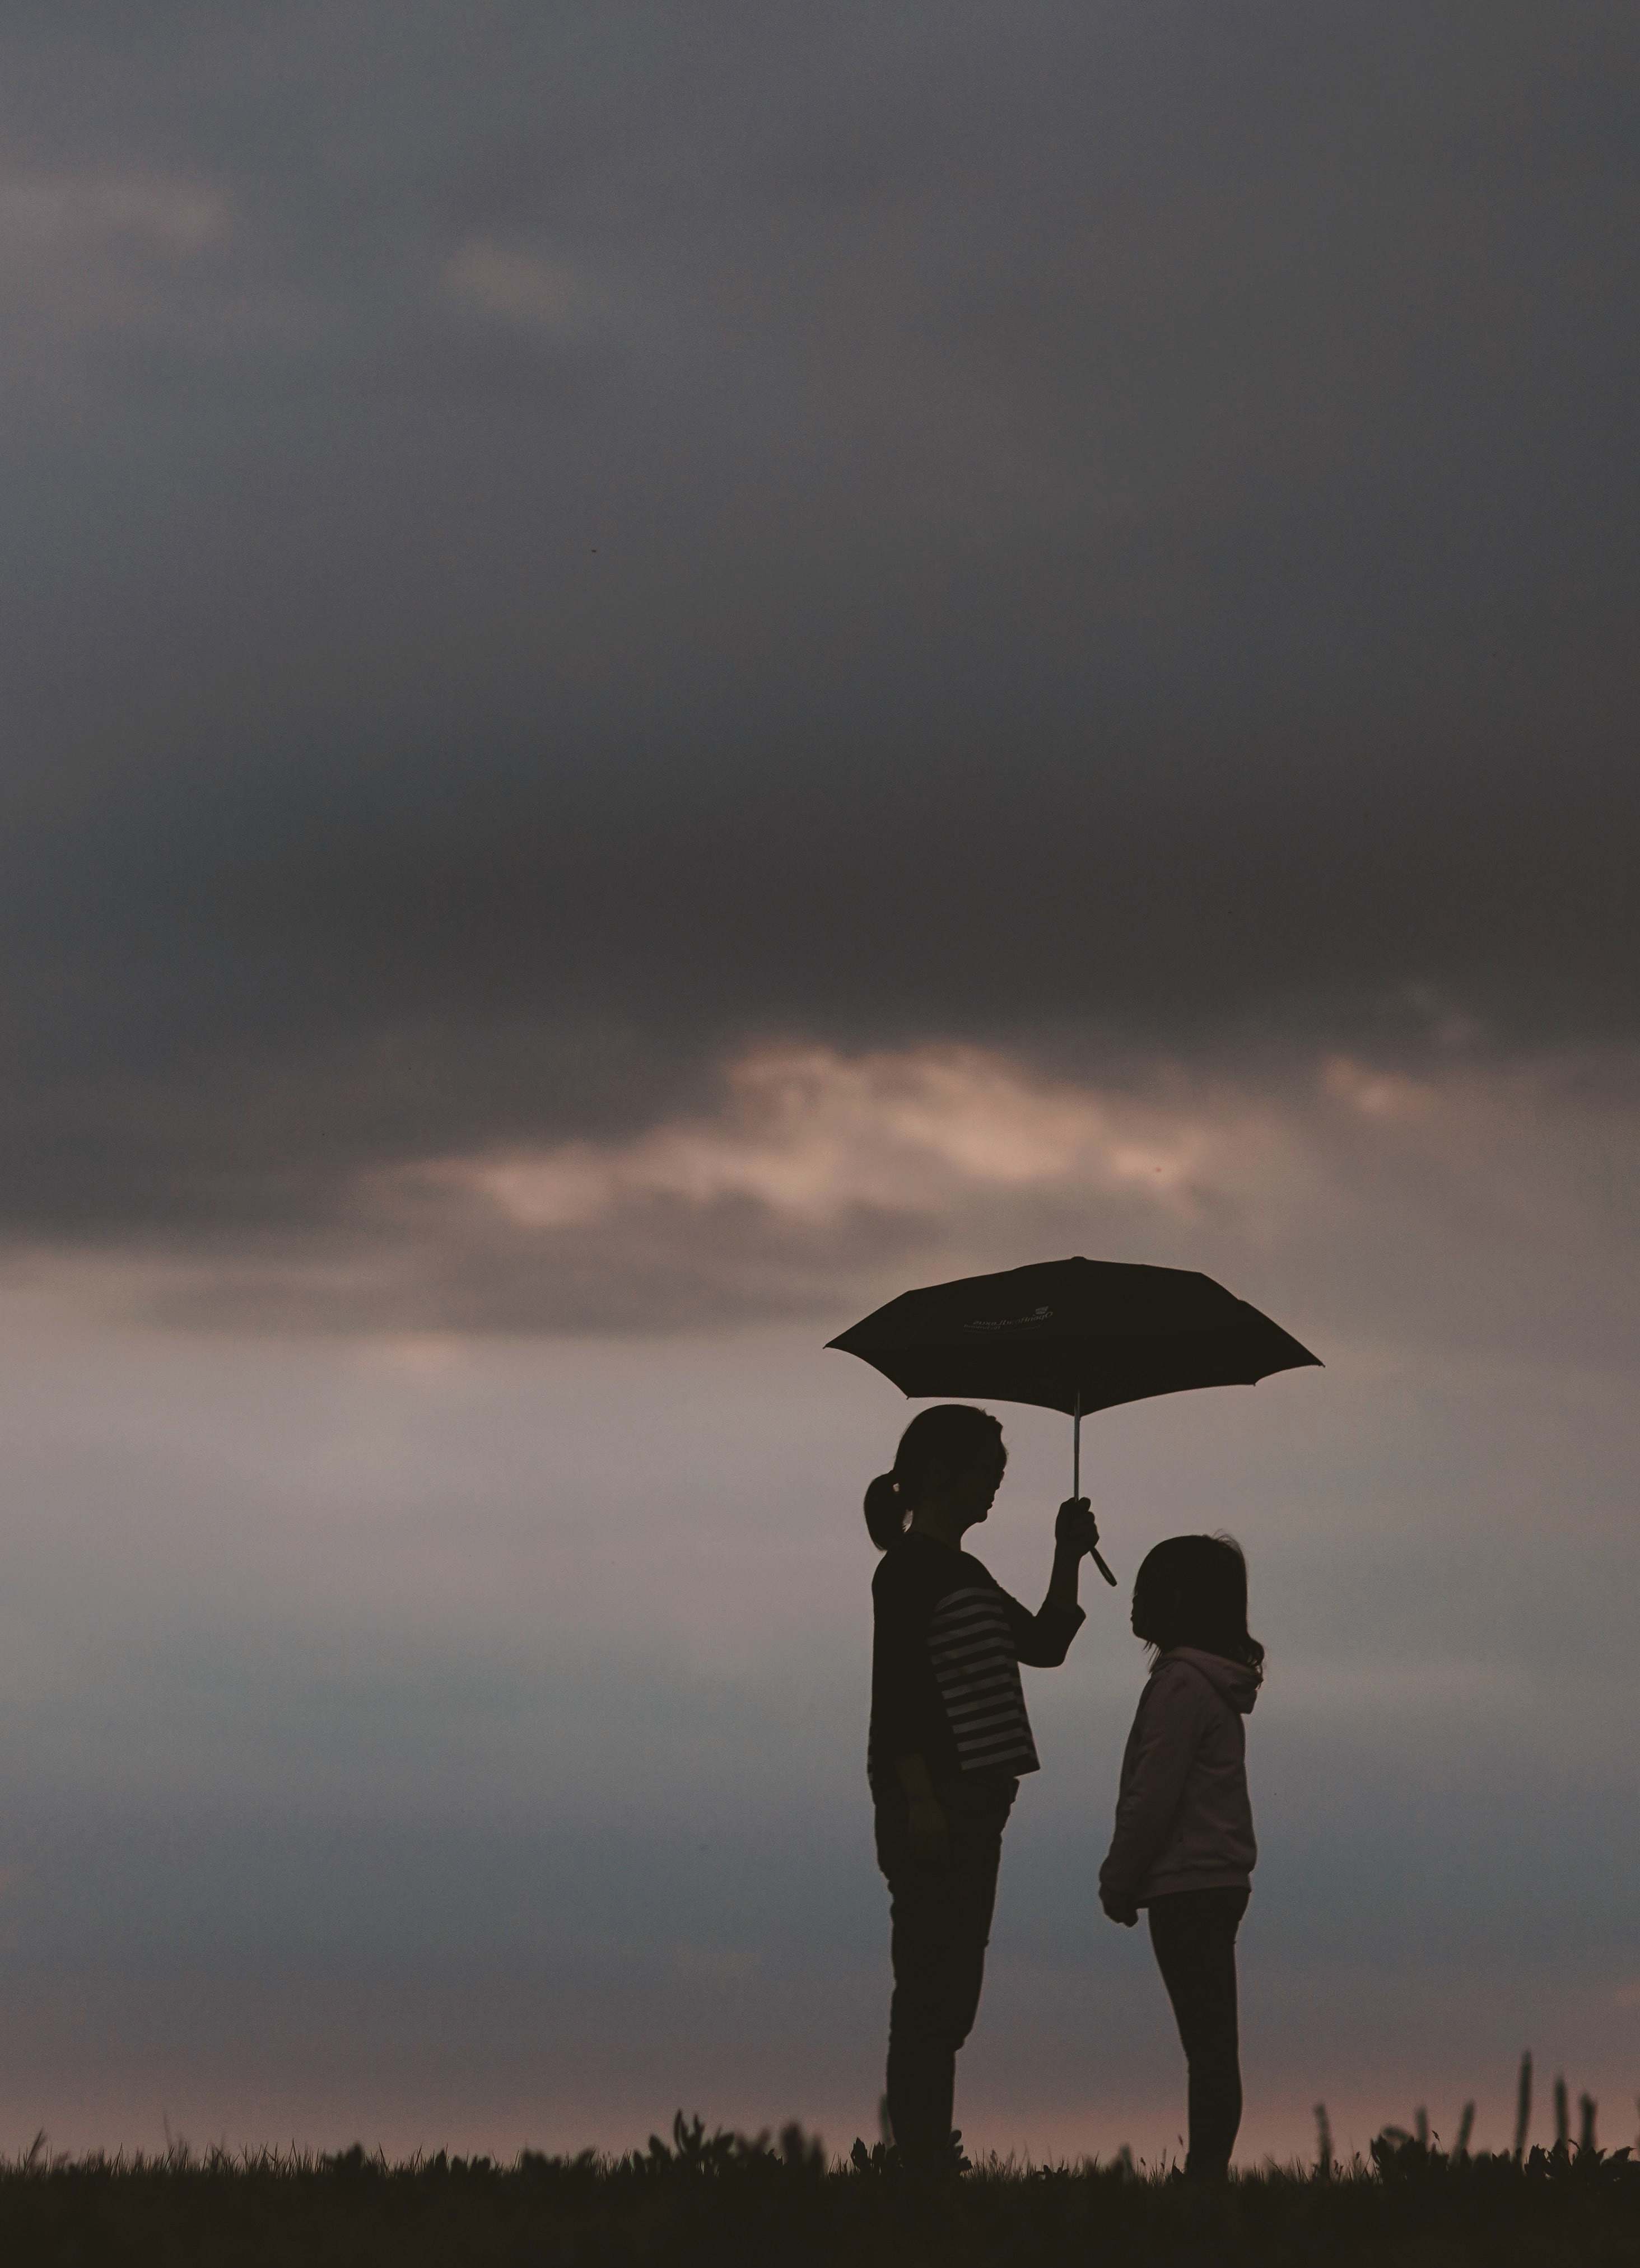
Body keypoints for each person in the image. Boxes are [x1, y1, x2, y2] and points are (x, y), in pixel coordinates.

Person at [865, 1402, 1101, 2170]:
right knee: (932, 1992)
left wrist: (1067, 1552)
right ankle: (921, 2162)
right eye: (987, 1473)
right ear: (942, 1475)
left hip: (977, 1807)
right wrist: (920, 1798)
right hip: (937, 1805)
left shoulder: (964, 1572)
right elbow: (897, 1695)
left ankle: (925, 2152)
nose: (995, 1488)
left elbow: (1045, 1643)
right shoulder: (905, 1572)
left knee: (951, 1992)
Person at [1098, 1533, 1263, 2181]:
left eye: (1149, 1588)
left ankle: (1206, 2177)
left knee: (1209, 2046)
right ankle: (1208, 2173)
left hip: (1187, 1885)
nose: (1135, 1600)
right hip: (1217, 1880)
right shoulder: (1209, 1687)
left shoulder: (1179, 1688)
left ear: (1180, 1602)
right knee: (1213, 2040)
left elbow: (1152, 1795)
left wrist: (1119, 1879)